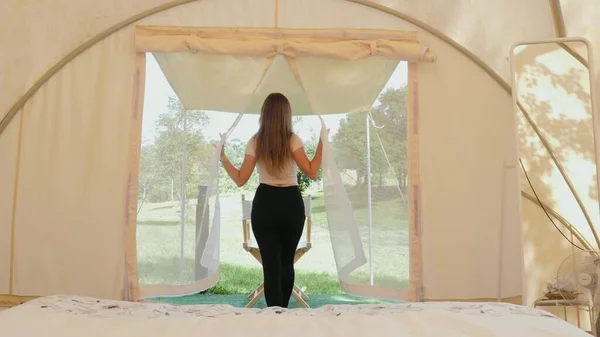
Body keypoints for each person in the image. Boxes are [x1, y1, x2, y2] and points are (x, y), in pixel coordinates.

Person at [218, 92, 324, 308]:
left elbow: (240, 179)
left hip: (265, 204)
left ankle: (274, 316)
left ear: (264, 114)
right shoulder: (293, 140)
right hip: (291, 205)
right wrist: (323, 141)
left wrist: (223, 158)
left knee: (271, 266)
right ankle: (282, 313)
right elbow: (312, 171)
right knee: (286, 263)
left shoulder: (255, 141)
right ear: (286, 115)